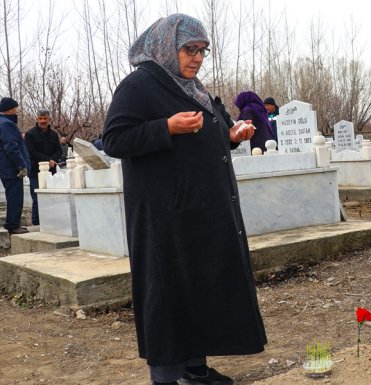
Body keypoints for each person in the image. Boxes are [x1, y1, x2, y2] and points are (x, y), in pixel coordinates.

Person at [101, 14, 267, 385]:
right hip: (165, 217)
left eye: (202, 51)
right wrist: (166, 127)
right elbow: (114, 139)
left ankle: (195, 370)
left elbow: (214, 129)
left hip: (200, 212)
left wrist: (233, 134)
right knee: (167, 292)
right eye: (189, 49)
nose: (196, 58)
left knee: (199, 289)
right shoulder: (139, 85)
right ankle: (165, 376)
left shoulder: (194, 87)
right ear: (164, 47)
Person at [25, 109, 62, 226]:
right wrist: (47, 160)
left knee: (52, 196)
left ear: (49, 119)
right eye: (40, 119)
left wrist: (53, 160)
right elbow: (31, 152)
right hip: (35, 171)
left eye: (45, 119)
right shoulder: (30, 134)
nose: (42, 121)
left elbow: (59, 151)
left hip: (51, 171)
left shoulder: (54, 135)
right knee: (37, 198)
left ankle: (52, 221)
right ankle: (36, 223)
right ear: (37, 119)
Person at [0, 97, 31, 235]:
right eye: (15, 109)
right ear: (11, 109)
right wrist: (21, 165)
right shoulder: (7, 124)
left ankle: (12, 224)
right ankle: (13, 225)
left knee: (12, 195)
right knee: (15, 196)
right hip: (11, 167)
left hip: (5, 166)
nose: (17, 111)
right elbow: (11, 147)